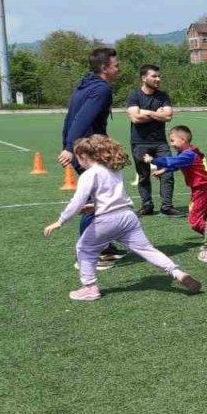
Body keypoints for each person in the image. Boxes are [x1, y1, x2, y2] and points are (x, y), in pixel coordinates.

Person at [43, 135, 201, 301]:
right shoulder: (114, 169)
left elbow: (77, 202)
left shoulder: (89, 175)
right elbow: (112, 197)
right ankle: (178, 272)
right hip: (128, 216)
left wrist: (60, 221)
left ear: (83, 156)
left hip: (107, 220)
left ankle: (89, 287)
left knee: (84, 248)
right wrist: (93, 207)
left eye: (77, 157)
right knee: (147, 249)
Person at [58, 47, 126, 263]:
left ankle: (103, 247)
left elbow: (72, 117)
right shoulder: (101, 89)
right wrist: (70, 147)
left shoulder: (85, 84)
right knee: (95, 201)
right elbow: (81, 119)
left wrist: (70, 144)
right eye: (116, 65)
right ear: (105, 68)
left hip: (85, 148)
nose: (119, 68)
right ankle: (88, 254)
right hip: (87, 150)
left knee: (99, 198)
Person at [126, 64, 182, 217]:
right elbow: (135, 118)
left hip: (160, 142)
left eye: (159, 76)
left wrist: (147, 112)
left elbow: (168, 117)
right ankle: (147, 206)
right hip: (139, 142)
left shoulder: (163, 96)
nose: (158, 79)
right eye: (154, 76)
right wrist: (156, 114)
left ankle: (167, 206)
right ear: (144, 78)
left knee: (168, 172)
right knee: (143, 175)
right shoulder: (134, 95)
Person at [144, 125, 207, 239]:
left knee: (194, 220)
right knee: (204, 214)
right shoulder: (186, 152)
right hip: (201, 187)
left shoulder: (188, 154)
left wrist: (153, 160)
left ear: (183, 140)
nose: (171, 144)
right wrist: (164, 170)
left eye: (173, 141)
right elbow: (177, 164)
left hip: (201, 189)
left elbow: (171, 161)